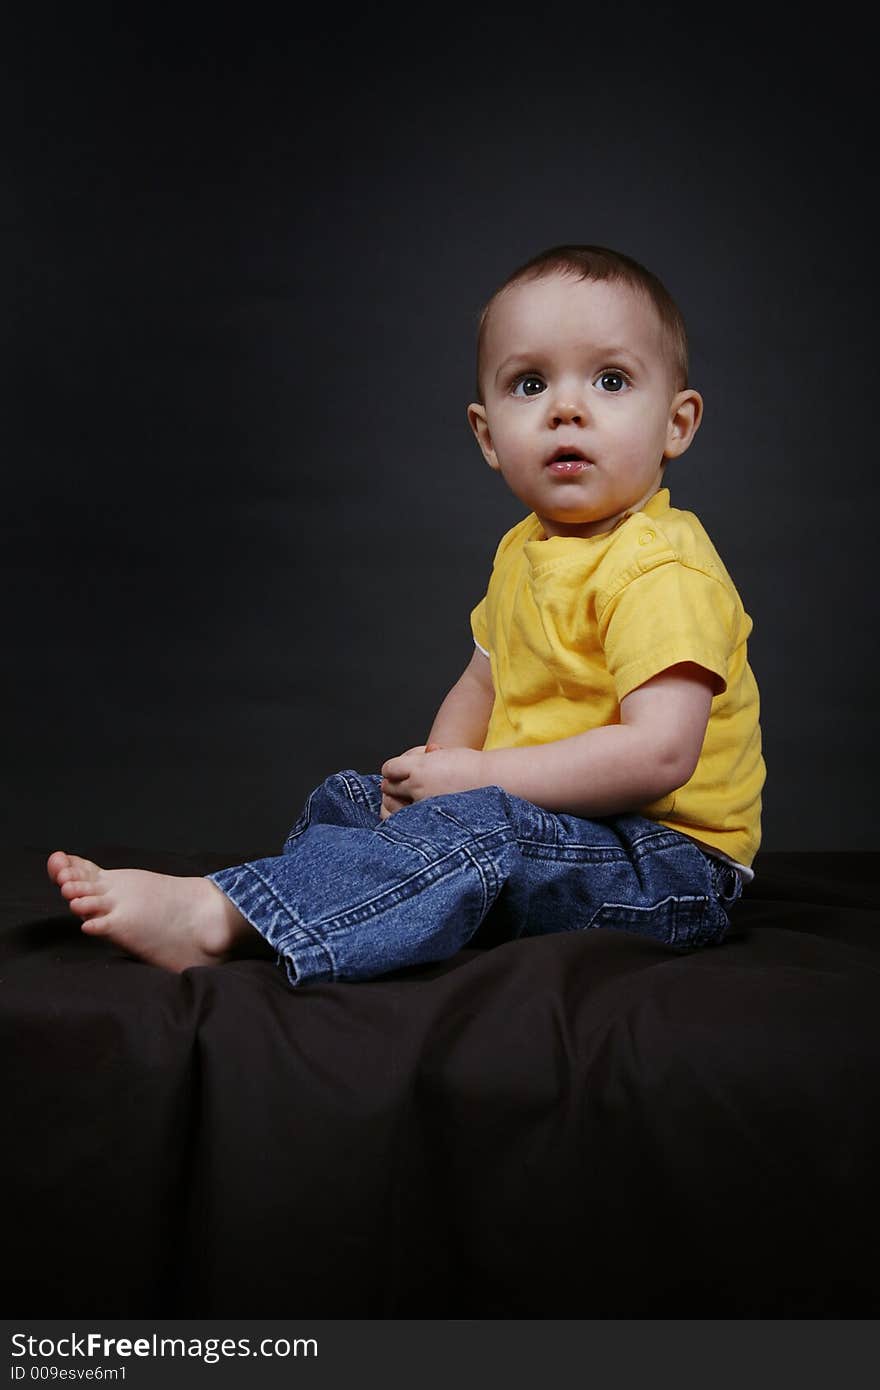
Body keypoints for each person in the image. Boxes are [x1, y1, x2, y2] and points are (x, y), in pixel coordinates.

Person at [47, 244, 765, 984]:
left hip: (662, 867)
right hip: (550, 827)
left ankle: (221, 918)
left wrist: (474, 780)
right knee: (353, 797)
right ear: (488, 436)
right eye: (529, 384)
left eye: (611, 380)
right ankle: (307, 909)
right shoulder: (524, 552)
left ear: (676, 425)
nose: (566, 408)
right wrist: (432, 774)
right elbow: (481, 685)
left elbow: (659, 756)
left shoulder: (661, 568)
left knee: (475, 824)